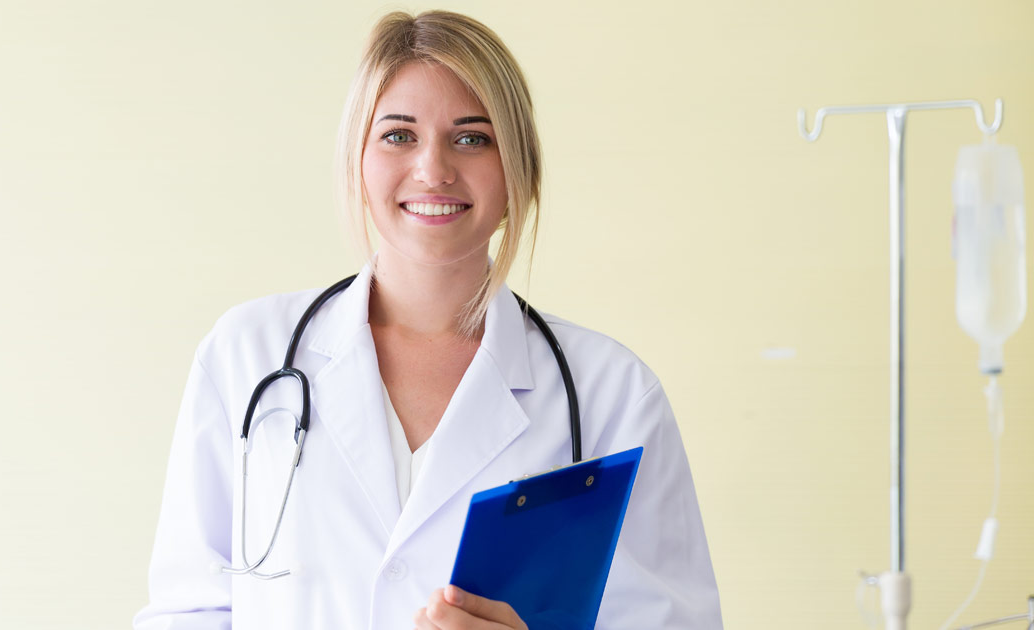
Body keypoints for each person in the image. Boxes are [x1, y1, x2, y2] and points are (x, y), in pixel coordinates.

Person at [134, 9, 721, 630]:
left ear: (520, 169)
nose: (434, 169)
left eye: (472, 137)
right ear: (357, 158)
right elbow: (189, 611)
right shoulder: (246, 356)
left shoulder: (614, 394)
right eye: (398, 135)